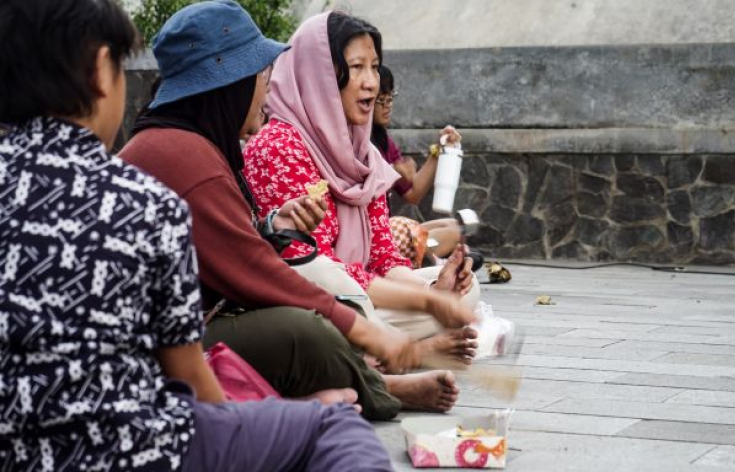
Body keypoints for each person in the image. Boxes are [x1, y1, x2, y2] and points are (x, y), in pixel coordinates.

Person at [0, 0, 392, 470]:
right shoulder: (144, 203)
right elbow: (189, 379)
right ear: (101, 70)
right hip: (127, 451)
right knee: (329, 412)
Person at [120, 1, 459, 418]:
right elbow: (256, 270)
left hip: (207, 320)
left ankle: (334, 383)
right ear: (232, 85)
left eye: (375, 68)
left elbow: (231, 246)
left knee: (330, 311)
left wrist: (272, 224)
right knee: (310, 329)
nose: (268, 86)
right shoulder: (195, 155)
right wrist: (366, 329)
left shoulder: (191, 146)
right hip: (174, 345)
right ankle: (380, 386)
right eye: (262, 75)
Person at [242, 12, 481, 356]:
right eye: (356, 68)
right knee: (328, 281)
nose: (372, 82)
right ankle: (401, 353)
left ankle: (382, 350)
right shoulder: (279, 145)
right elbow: (312, 269)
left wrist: (433, 290)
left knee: (467, 293)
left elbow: (383, 257)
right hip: (310, 302)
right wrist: (427, 301)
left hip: (362, 296)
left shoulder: (364, 154)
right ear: (318, 74)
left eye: (375, 67)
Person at [372, 65, 485, 268]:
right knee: (452, 234)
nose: (387, 106)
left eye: (390, 98)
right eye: (381, 100)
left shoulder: (384, 141)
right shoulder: (354, 140)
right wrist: (387, 174)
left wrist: (439, 150)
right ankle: (434, 260)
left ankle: (434, 257)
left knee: (453, 226)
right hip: (371, 236)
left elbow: (413, 194)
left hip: (386, 230)